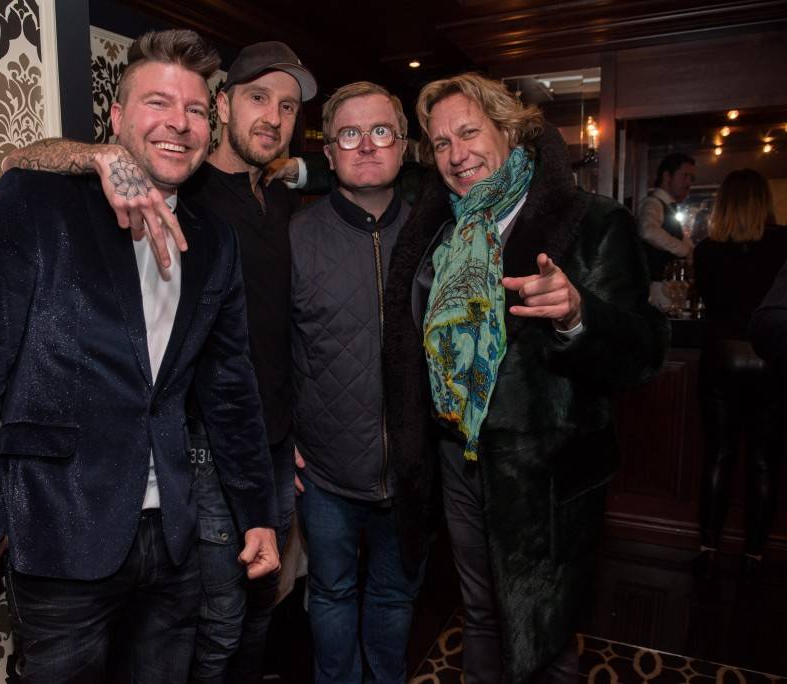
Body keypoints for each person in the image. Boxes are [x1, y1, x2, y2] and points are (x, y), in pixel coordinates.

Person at [0, 30, 280, 684]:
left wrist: (258, 510)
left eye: (197, 110)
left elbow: (231, 388)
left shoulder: (215, 241)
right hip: (61, 529)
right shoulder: (38, 204)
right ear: (117, 119)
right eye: (157, 102)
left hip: (176, 538)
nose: (179, 122)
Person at [382, 73, 668, 682]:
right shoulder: (439, 228)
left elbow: (643, 354)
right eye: (439, 143)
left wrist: (578, 315)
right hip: (460, 454)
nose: (456, 155)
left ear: (509, 131)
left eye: (468, 132)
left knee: (547, 635)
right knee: (481, 615)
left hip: (548, 473)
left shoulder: (594, 222)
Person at [289, 81, 422, 684]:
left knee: (395, 598)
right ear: (330, 150)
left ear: (403, 145)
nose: (366, 145)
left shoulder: (438, 236)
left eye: (380, 131)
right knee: (332, 593)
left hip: (414, 468)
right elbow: (268, 347)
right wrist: (281, 430)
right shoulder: (293, 236)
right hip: (324, 468)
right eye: (350, 133)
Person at [691, 168, 787, 578]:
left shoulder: (707, 250)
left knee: (718, 454)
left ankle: (708, 545)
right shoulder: (784, 243)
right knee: (764, 460)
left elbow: (708, 302)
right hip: (770, 358)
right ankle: (755, 554)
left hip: (720, 355)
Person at [636, 152, 696, 284]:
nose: (688, 183)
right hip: (657, 287)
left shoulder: (668, 207)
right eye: (685, 176)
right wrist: (685, 250)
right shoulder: (652, 203)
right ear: (667, 176)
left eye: (691, 178)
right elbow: (648, 231)